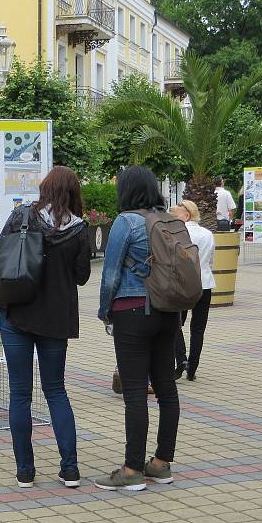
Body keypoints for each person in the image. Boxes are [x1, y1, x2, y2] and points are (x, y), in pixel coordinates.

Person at [0, 166, 91, 489]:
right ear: (74, 192)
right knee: (56, 391)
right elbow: (82, 276)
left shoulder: (22, 216)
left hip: (18, 313)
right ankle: (70, 469)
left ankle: (25, 472)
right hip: (56, 319)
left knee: (19, 394)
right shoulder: (79, 229)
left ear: (45, 188)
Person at [96, 166, 180, 491]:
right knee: (166, 390)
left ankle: (132, 471)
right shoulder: (170, 220)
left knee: (134, 394)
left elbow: (111, 274)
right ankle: (161, 464)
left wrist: (105, 313)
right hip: (168, 312)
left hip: (132, 312)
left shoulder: (126, 221)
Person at [171, 201, 215, 381]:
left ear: (187, 215)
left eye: (175, 215)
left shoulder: (178, 233)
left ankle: (181, 359)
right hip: (204, 284)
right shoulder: (208, 234)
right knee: (198, 328)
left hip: (183, 285)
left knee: (174, 324)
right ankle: (192, 368)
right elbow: (211, 259)